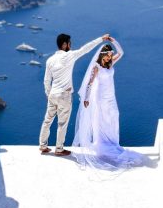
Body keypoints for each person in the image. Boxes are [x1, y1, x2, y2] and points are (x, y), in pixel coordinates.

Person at [72, 37, 147, 173]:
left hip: (111, 96)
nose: (110, 57)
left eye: (111, 55)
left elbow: (122, 53)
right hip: (101, 97)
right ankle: (102, 144)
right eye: (108, 55)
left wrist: (113, 41)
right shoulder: (96, 67)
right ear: (102, 55)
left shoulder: (110, 64)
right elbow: (89, 83)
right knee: (102, 120)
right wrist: (87, 98)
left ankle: (112, 142)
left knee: (113, 117)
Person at [39, 33, 111, 156]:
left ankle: (43, 145)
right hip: (64, 95)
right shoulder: (69, 56)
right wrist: (101, 39)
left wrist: (48, 94)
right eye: (69, 43)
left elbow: (46, 80)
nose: (71, 45)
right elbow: (85, 49)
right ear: (64, 44)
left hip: (53, 94)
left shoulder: (50, 60)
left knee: (47, 120)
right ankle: (59, 148)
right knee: (62, 123)